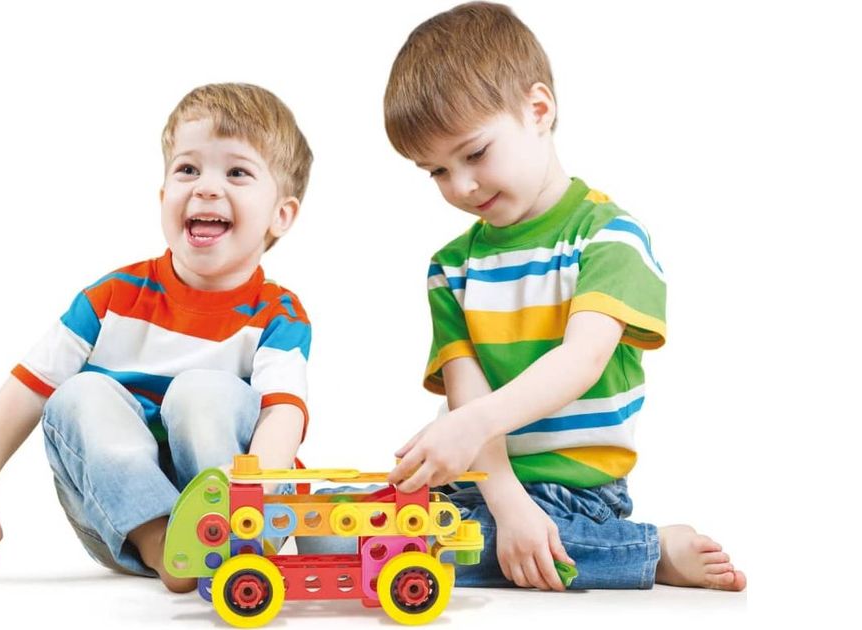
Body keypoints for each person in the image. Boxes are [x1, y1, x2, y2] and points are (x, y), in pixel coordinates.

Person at [300, 2, 745, 592]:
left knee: (430, 550)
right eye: (436, 171)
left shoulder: (608, 238)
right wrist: (505, 499)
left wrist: (472, 429)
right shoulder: (451, 267)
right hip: (480, 483)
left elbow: (582, 360)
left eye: (475, 153)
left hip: (577, 491)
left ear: (538, 110)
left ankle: (646, 550)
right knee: (324, 530)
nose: (461, 186)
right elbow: (467, 391)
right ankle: (519, 537)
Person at [0, 83, 314, 593]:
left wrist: (256, 493)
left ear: (280, 215)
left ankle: (227, 537)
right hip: (120, 518)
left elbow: (283, 413)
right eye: (188, 169)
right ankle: (163, 542)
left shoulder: (278, 314)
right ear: (163, 198)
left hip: (242, 506)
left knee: (201, 391)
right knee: (75, 395)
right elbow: (28, 388)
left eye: (236, 172)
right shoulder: (113, 297)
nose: (206, 188)